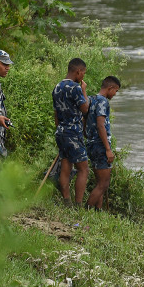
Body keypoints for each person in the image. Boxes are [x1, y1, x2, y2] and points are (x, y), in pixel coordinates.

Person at [53, 58, 90, 206]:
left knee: (66, 166)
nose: (83, 77)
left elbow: (56, 113)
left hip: (61, 131)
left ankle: (66, 201)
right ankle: (78, 204)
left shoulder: (57, 87)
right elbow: (85, 108)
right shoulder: (75, 88)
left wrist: (60, 128)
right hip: (73, 132)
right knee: (83, 169)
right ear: (78, 71)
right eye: (83, 73)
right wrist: (84, 91)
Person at [84, 75, 120, 210]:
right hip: (100, 146)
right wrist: (108, 149)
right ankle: (86, 210)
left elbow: (84, 119)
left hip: (92, 144)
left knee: (100, 182)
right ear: (110, 88)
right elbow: (101, 125)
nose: (115, 94)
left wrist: (86, 135)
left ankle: (98, 211)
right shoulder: (103, 101)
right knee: (104, 184)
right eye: (115, 91)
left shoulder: (91, 99)